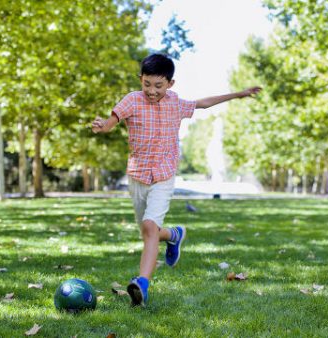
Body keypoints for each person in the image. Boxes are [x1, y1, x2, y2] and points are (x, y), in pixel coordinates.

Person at [91, 53, 261, 306]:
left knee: (149, 228)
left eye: (158, 85)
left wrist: (237, 94)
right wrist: (103, 126)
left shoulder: (176, 103)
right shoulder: (132, 100)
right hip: (138, 176)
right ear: (141, 79)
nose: (151, 90)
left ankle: (142, 285)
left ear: (170, 84)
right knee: (148, 232)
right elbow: (112, 121)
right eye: (146, 84)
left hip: (164, 175)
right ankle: (174, 235)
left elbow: (203, 103)